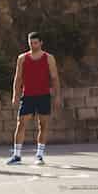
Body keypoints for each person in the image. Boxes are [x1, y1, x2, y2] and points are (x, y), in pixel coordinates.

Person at [8, 32, 61, 165]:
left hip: (43, 95)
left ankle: (39, 155)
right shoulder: (22, 58)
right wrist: (15, 94)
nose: (33, 45)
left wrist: (57, 96)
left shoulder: (49, 58)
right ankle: (17, 155)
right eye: (31, 43)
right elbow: (18, 78)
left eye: (35, 43)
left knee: (42, 125)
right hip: (28, 96)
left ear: (41, 43)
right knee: (21, 124)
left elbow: (54, 78)